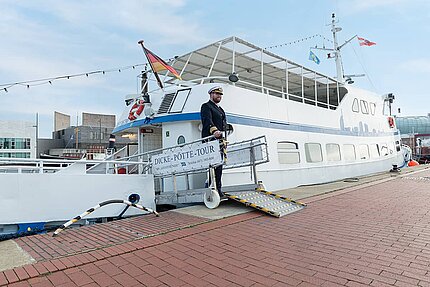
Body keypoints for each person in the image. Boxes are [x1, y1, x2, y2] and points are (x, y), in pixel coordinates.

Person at [200, 86, 227, 197]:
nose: (219, 96)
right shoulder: (206, 106)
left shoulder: (221, 109)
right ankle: (213, 188)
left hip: (220, 141)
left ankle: (218, 188)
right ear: (211, 94)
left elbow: (224, 124)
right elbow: (207, 121)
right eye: (216, 94)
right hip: (210, 140)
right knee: (213, 165)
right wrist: (214, 130)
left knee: (219, 166)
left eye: (220, 94)